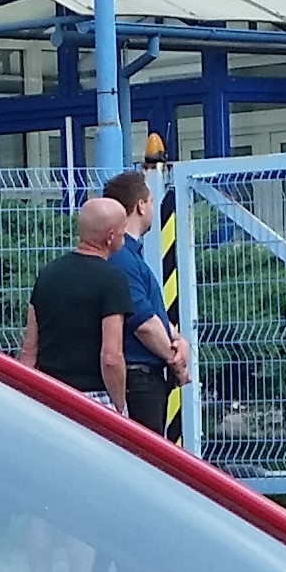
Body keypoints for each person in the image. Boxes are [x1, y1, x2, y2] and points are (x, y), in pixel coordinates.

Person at [20, 194, 139, 572]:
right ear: (110, 236)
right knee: (84, 508)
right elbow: (111, 356)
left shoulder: (48, 275)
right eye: (121, 232)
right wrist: (120, 408)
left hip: (46, 400)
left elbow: (29, 350)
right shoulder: (111, 280)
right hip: (91, 403)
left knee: (43, 507)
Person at [99, 167, 193, 437]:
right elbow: (143, 323)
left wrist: (177, 339)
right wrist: (175, 360)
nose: (153, 206)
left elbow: (152, 314)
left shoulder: (130, 256)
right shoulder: (123, 259)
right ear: (140, 206)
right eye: (151, 201)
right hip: (139, 380)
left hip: (141, 378)